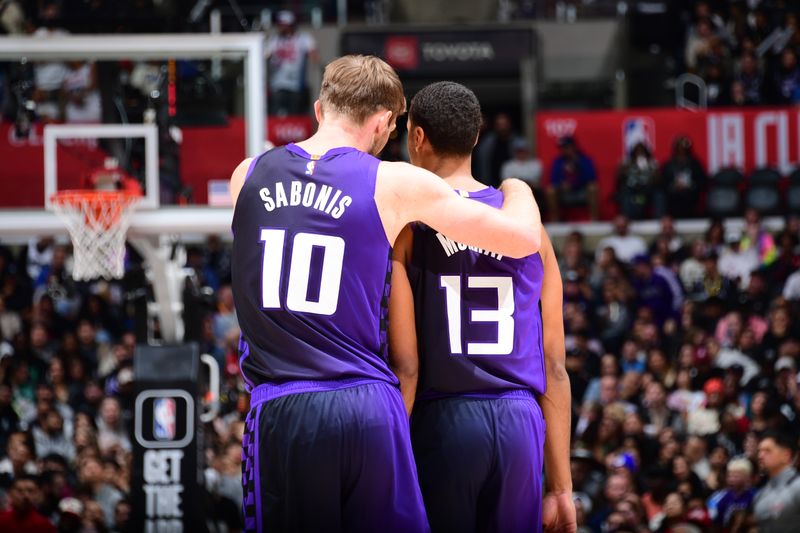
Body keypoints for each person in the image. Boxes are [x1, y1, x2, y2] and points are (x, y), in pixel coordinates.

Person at [229, 55, 542, 532]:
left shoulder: (247, 175)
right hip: (370, 407)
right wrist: (518, 187)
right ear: (382, 123)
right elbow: (521, 239)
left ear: (319, 109)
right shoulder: (394, 181)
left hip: (287, 405)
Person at [389, 81, 574, 533]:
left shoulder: (410, 228)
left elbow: (406, 364)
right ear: (475, 138)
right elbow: (554, 364)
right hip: (520, 421)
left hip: (445, 419)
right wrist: (561, 488)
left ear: (416, 137)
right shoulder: (531, 232)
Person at [265, 10, 318, 116]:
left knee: (295, 113)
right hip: (278, 83)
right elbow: (265, 55)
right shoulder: (274, 40)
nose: (283, 28)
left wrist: (313, 56)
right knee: (276, 112)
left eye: (285, 25)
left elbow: (313, 54)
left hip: (296, 84)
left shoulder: (303, 39)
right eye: (281, 25)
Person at [753, 430, 800, 532]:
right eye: (759, 451)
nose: (760, 456)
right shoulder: (760, 495)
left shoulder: (798, 487)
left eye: (767, 451)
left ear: (786, 455)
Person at [546, 136, 598, 221]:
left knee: (593, 187)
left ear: (573, 147)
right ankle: (555, 220)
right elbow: (554, 179)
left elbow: (591, 177)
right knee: (550, 190)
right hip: (564, 192)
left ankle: (594, 220)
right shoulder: (558, 162)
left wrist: (575, 182)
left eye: (566, 147)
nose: (563, 150)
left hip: (581, 190)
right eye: (562, 148)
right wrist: (561, 185)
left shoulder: (585, 160)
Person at [660, 136, 706, 219]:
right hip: (672, 195)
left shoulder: (695, 163)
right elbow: (663, 182)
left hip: (690, 194)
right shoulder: (668, 164)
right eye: (679, 147)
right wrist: (673, 186)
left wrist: (690, 185)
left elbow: (702, 180)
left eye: (684, 148)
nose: (681, 150)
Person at [616, 142, 661, 219]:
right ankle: (627, 222)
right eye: (637, 151)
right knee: (627, 196)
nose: (640, 154)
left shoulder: (652, 164)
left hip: (647, 194)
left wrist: (650, 168)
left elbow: (658, 181)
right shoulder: (627, 163)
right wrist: (626, 167)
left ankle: (659, 221)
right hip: (632, 194)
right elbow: (619, 179)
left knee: (658, 195)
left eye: (642, 151)